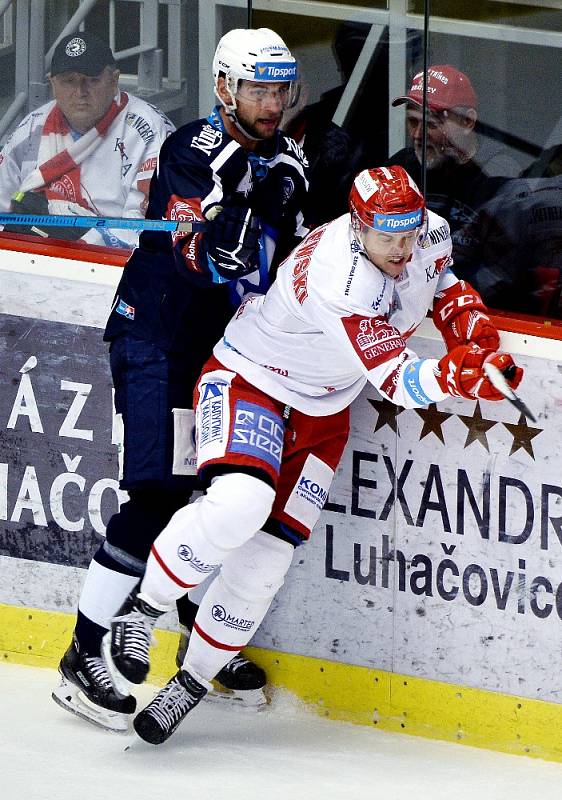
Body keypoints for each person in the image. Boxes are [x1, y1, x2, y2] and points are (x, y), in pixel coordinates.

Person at [100, 165, 523, 745]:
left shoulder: (427, 234)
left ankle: (192, 682)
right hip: (254, 379)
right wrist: (464, 375)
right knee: (239, 504)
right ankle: (142, 610)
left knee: (267, 560)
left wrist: (477, 340)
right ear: (357, 227)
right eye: (388, 236)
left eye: (410, 231)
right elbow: (397, 382)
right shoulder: (337, 276)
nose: (403, 248)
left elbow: (445, 287)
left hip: (324, 413)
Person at [51, 27, 309, 731]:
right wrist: (228, 229)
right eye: (256, 87)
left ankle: (199, 633)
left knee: (222, 493)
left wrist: (275, 202)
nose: (270, 101)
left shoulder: (286, 153)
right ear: (225, 87)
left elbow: (283, 232)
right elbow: (208, 254)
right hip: (157, 337)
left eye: (278, 87)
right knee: (159, 495)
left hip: (223, 352)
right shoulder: (191, 150)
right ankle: (82, 653)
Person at [0, 32, 174, 248]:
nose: (80, 92)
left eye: (92, 80)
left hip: (111, 265)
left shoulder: (151, 130)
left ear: (114, 80)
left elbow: (151, 229)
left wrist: (75, 247)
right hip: (34, 257)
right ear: (52, 84)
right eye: (69, 81)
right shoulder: (33, 125)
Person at [387, 65, 515, 247]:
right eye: (413, 121)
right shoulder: (401, 169)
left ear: (468, 121)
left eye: (431, 124)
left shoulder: (497, 175)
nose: (417, 135)